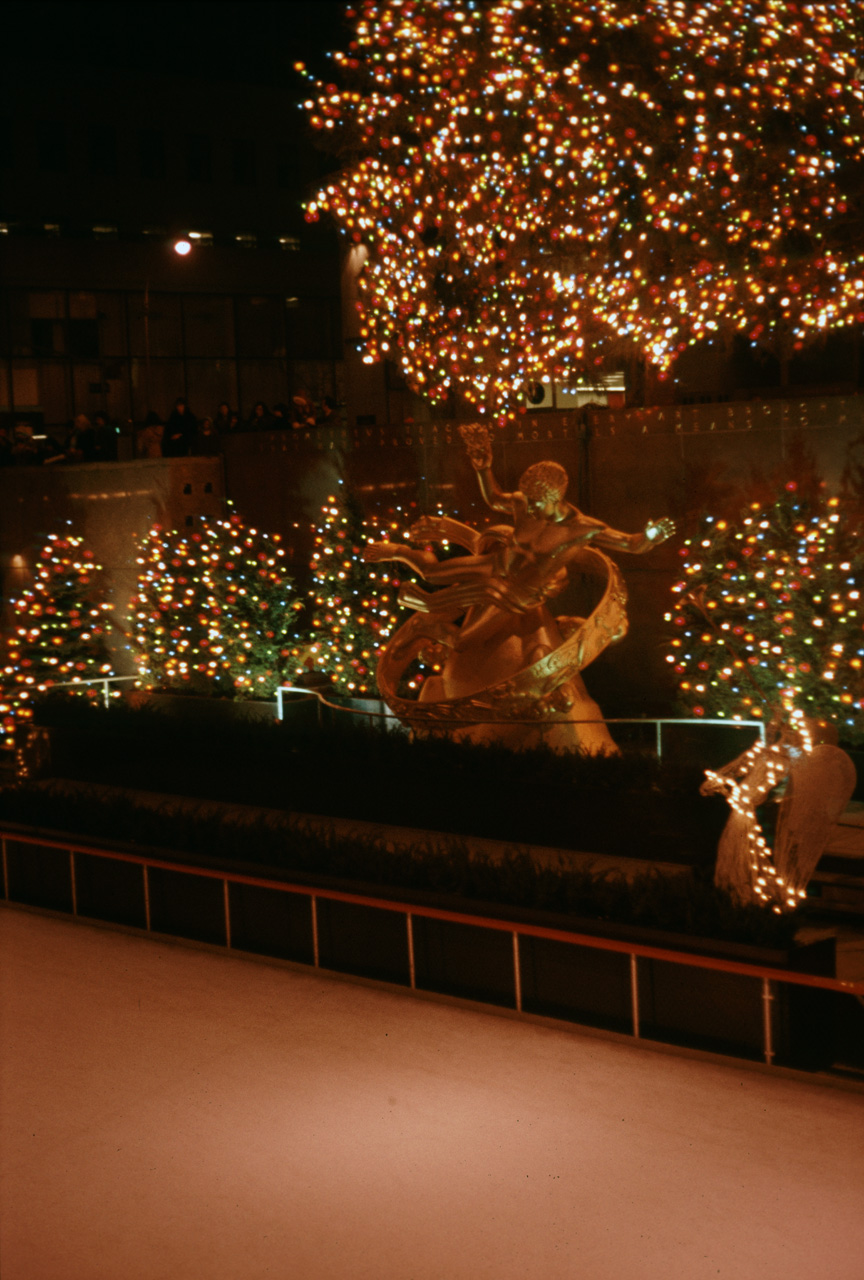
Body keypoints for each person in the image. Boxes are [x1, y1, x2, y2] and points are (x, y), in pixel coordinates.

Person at [366, 423, 674, 652]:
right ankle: (400, 552)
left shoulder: (581, 528)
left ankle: (429, 624)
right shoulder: (525, 503)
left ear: (556, 498)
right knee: (433, 571)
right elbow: (495, 498)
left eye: (538, 502)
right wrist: (483, 468)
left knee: (462, 641)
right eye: (528, 499)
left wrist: (652, 534)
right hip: (495, 564)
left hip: (517, 592)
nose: (530, 507)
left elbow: (631, 544)